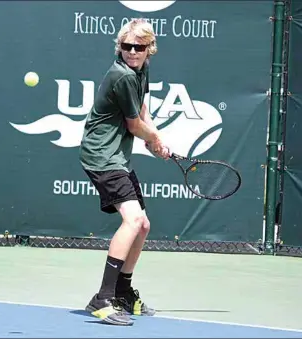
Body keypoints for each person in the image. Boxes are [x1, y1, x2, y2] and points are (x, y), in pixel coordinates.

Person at [79, 18, 170, 326]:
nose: (132, 52)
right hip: (102, 156)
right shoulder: (122, 75)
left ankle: (122, 292)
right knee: (132, 220)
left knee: (143, 225)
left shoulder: (140, 70)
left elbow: (142, 113)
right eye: (126, 46)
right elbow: (134, 126)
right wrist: (154, 139)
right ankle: (102, 298)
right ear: (119, 47)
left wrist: (153, 138)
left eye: (139, 47)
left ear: (149, 49)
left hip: (117, 156)